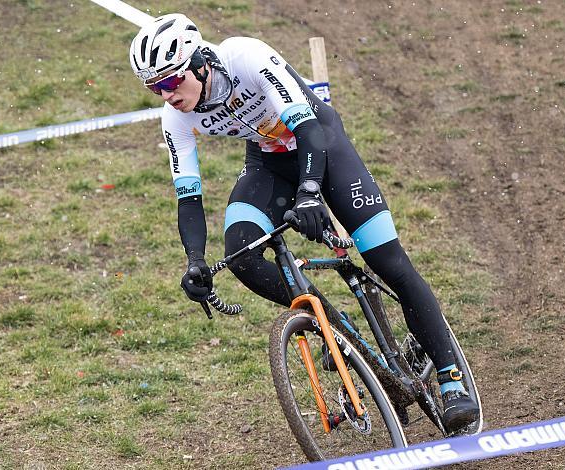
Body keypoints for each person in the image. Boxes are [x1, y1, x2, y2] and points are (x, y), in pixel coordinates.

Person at [129, 13, 479, 433]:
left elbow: (310, 129)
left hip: (322, 147)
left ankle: (450, 375)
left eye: (170, 81)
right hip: (268, 163)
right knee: (241, 255)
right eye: (154, 87)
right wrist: (193, 260)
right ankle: (336, 333)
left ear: (200, 63)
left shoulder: (245, 56)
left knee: (390, 263)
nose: (166, 95)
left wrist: (310, 191)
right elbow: (189, 197)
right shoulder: (176, 118)